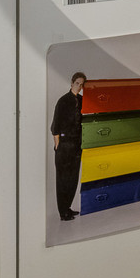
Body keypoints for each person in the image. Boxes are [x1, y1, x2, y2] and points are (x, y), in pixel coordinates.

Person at [51, 72, 87, 220]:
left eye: (82, 84)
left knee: (73, 178)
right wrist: (59, 146)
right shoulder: (63, 101)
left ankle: (68, 208)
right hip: (64, 146)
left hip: (77, 146)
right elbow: (55, 127)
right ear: (72, 83)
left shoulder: (82, 100)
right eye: (77, 83)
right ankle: (63, 212)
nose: (79, 86)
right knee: (63, 180)